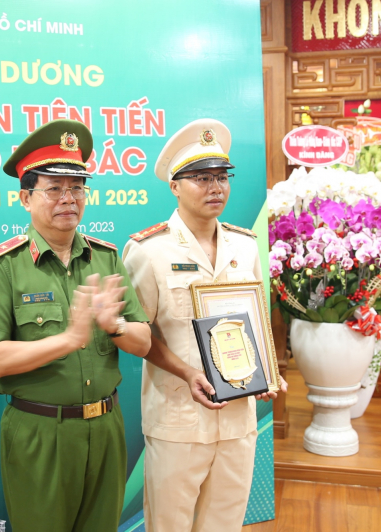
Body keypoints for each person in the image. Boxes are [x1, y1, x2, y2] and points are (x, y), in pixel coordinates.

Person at [0, 119, 151, 532]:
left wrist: (113, 325)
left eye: (77, 188)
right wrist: (68, 340)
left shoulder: (106, 258)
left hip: (105, 427)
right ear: (25, 197)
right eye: (54, 189)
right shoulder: (3, 267)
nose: (69, 199)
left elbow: (144, 341)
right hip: (40, 432)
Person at [123, 119, 288, 532]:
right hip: (178, 416)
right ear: (174, 186)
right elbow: (139, 334)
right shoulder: (148, 251)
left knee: (225, 522)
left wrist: (269, 369)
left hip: (238, 415)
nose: (216, 188)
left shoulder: (245, 243)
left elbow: (254, 320)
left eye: (221, 177)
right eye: (200, 178)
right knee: (169, 525)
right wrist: (188, 373)